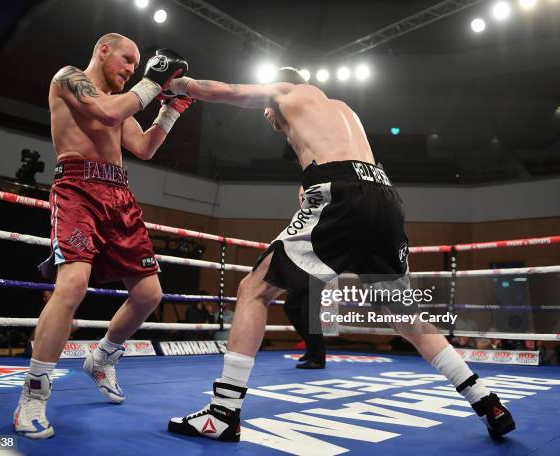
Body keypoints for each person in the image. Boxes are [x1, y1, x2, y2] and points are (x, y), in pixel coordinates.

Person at [165, 68, 515, 441]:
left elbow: (225, 91)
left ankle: (222, 413)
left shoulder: (287, 91)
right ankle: (485, 399)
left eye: (267, 110)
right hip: (384, 197)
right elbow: (342, 167)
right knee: (406, 319)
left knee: (254, 290)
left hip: (342, 193)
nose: (267, 116)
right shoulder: (342, 110)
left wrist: (175, 84)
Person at [13, 33, 192, 439]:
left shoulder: (121, 100)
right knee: (72, 285)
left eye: (138, 66)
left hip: (119, 195)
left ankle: (102, 357)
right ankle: (34, 394)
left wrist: (171, 111)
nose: (132, 70)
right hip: (77, 189)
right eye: (128, 61)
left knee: (149, 295)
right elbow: (106, 113)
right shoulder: (69, 79)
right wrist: (154, 83)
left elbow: (144, 147)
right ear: (103, 49)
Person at [283, 186, 326, 369]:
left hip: (318, 268)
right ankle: (312, 349)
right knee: (291, 307)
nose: (302, 198)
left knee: (309, 313)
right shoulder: (302, 216)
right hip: (302, 268)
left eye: (305, 195)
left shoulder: (323, 214)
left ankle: (318, 357)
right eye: (300, 195)